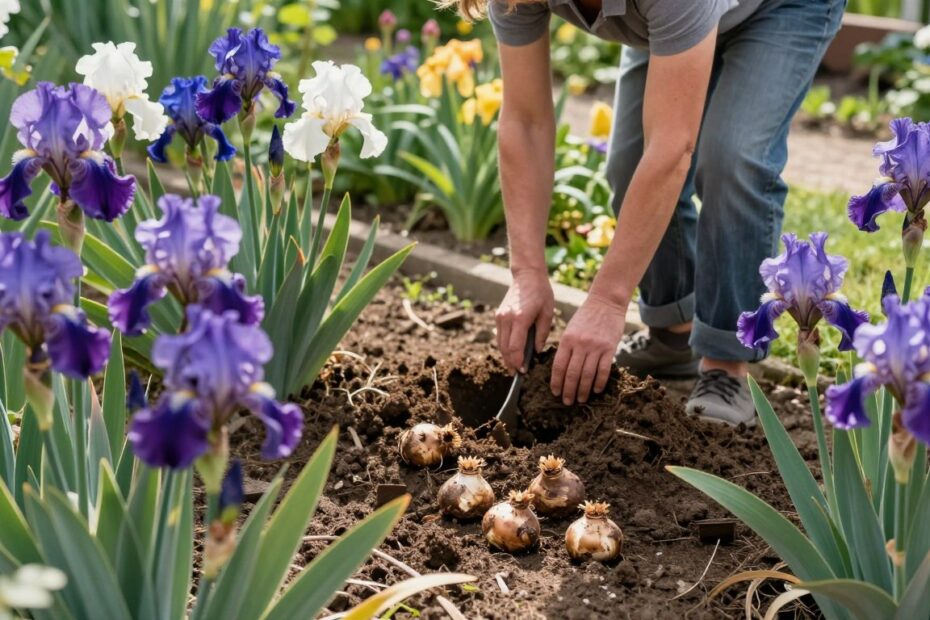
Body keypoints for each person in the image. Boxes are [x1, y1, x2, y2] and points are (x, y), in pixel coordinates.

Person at [440, 0, 845, 426]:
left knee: (733, 160)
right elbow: (525, 121)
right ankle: (672, 333)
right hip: (673, 18)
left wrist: (607, 301)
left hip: (781, 8)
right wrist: (525, 274)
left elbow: (672, 150)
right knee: (631, 162)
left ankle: (727, 363)